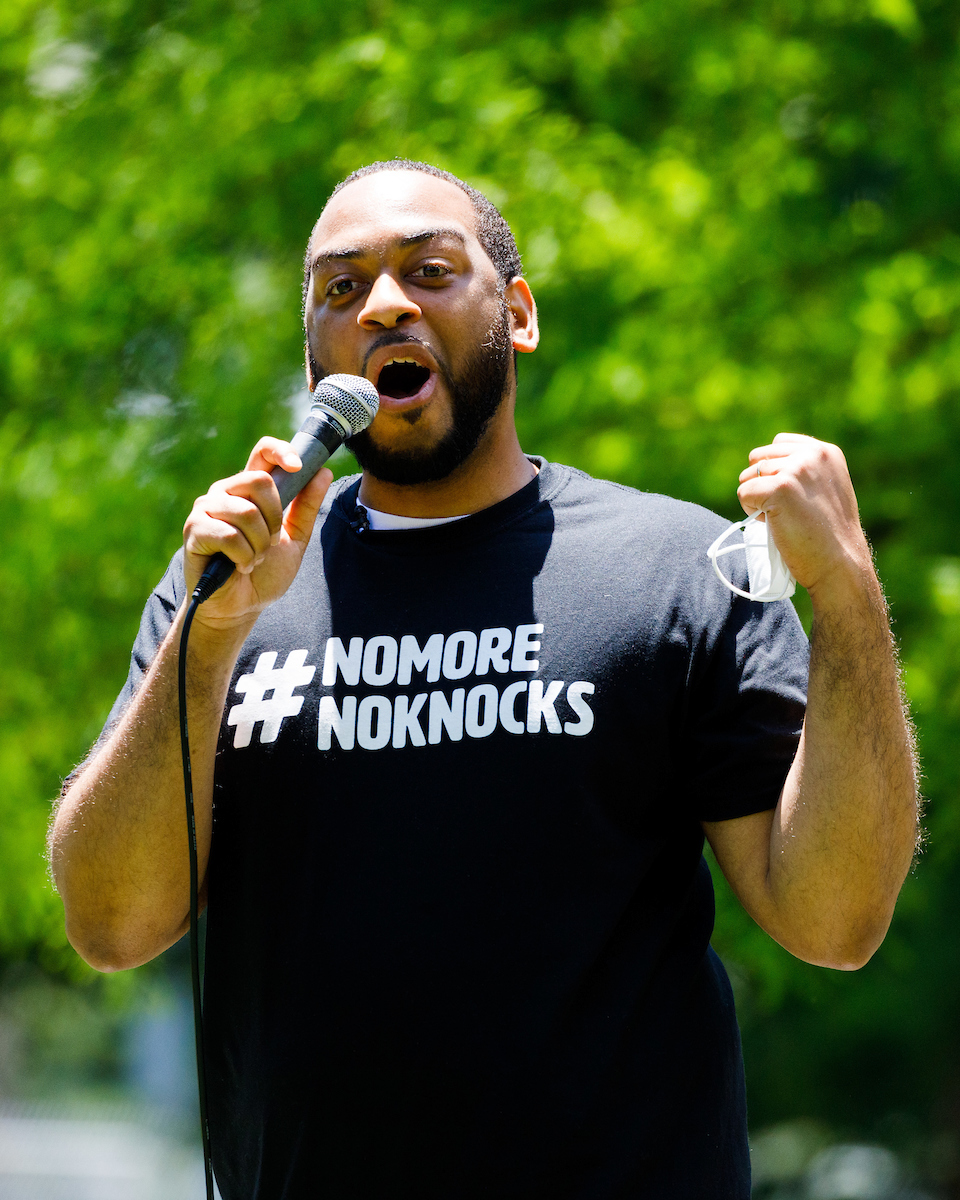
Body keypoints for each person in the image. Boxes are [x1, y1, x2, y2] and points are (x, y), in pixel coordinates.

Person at [50, 160, 919, 1199]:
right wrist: (207, 644)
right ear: (316, 357)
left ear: (518, 315)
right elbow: (111, 922)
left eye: (429, 270)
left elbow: (835, 919)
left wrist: (847, 588)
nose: (383, 305)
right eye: (340, 288)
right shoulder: (228, 588)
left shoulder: (671, 570)